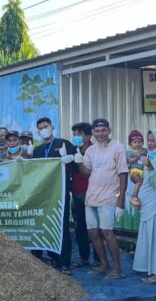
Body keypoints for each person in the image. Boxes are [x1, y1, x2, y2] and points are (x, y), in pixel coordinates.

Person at [80, 119, 127, 279]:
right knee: (93, 233)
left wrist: (120, 201)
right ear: (93, 132)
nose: (100, 134)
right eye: (97, 131)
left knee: (107, 233)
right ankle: (104, 264)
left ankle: (118, 268)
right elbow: (86, 173)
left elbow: (123, 174)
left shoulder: (118, 147)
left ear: (109, 130)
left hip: (108, 198)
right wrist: (78, 161)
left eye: (103, 130)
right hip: (91, 198)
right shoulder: (90, 150)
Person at [32, 117, 76, 273]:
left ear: (52, 127)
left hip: (60, 193)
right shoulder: (37, 150)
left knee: (62, 226)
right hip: (42, 195)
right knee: (45, 225)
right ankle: (52, 257)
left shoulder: (63, 144)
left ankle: (64, 262)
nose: (44, 129)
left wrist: (69, 159)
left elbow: (76, 165)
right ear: (38, 131)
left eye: (46, 126)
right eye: (41, 127)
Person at [131, 129, 156, 283]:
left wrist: (151, 166)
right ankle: (150, 269)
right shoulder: (152, 156)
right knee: (148, 235)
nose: (150, 144)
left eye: (153, 141)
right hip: (147, 203)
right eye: (149, 140)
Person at [69, 122, 93, 268]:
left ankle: (98, 261)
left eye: (79, 135)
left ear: (89, 136)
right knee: (80, 228)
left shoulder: (94, 150)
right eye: (75, 135)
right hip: (77, 194)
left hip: (93, 194)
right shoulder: (73, 150)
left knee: (95, 230)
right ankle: (84, 258)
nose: (76, 137)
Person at [126, 130, 147, 208]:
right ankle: (134, 197)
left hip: (143, 171)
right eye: (134, 142)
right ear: (130, 144)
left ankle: (140, 201)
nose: (137, 144)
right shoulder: (129, 152)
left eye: (139, 142)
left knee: (143, 185)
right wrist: (136, 157)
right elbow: (129, 160)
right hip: (134, 171)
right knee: (138, 181)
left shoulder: (145, 150)